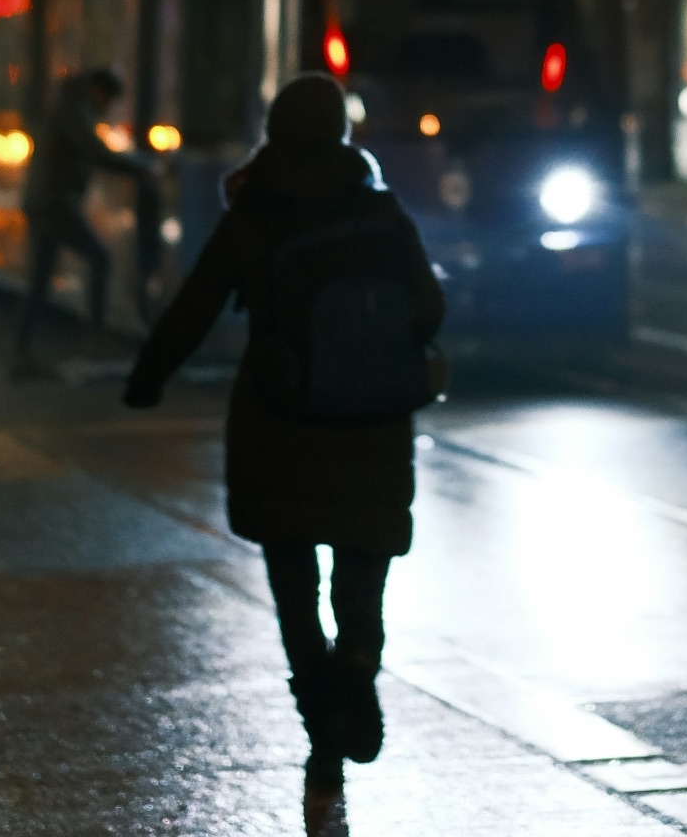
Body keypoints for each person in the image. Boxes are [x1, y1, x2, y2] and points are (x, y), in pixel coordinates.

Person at [121, 73, 445, 794]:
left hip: (280, 421)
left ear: (275, 131)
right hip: (372, 424)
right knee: (363, 563)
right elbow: (428, 306)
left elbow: (195, 305)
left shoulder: (255, 213)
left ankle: (319, 714)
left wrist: (148, 377)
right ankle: (358, 660)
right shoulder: (380, 209)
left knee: (293, 579)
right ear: (340, 131)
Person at [9, 69, 150, 379]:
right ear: (98, 91)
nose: (107, 108)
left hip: (46, 202)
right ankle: (94, 337)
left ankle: (21, 354)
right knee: (99, 258)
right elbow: (94, 150)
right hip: (55, 204)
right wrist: (142, 168)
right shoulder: (74, 110)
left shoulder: (69, 104)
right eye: (108, 101)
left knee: (39, 281)